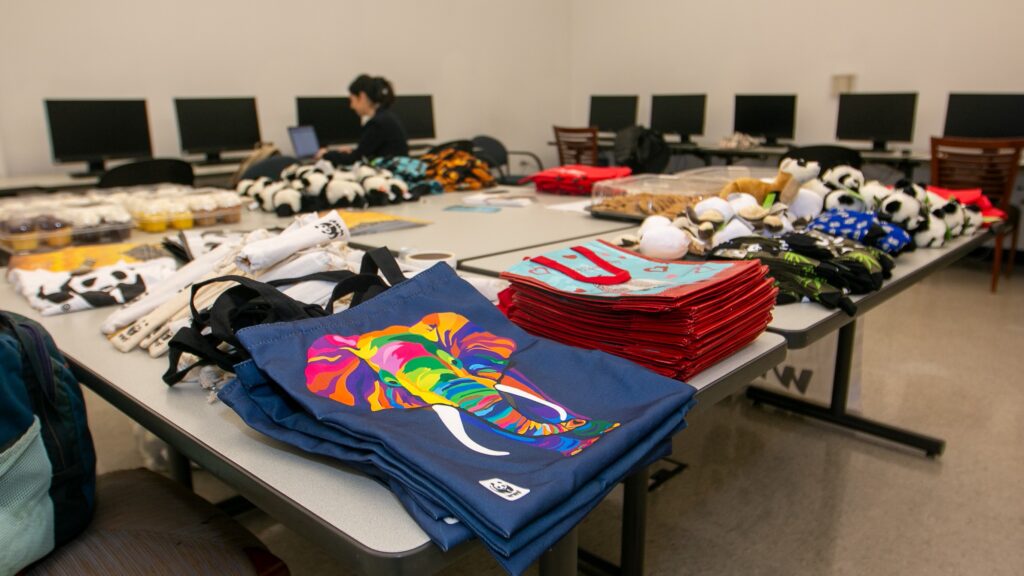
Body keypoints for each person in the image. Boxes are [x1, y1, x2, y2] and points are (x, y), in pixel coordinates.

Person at [319, 75, 409, 165]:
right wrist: (352, 152)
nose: (351, 106)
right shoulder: (385, 117)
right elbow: (364, 153)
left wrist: (326, 154)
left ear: (362, 96)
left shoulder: (377, 123)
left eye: (352, 100)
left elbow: (354, 159)